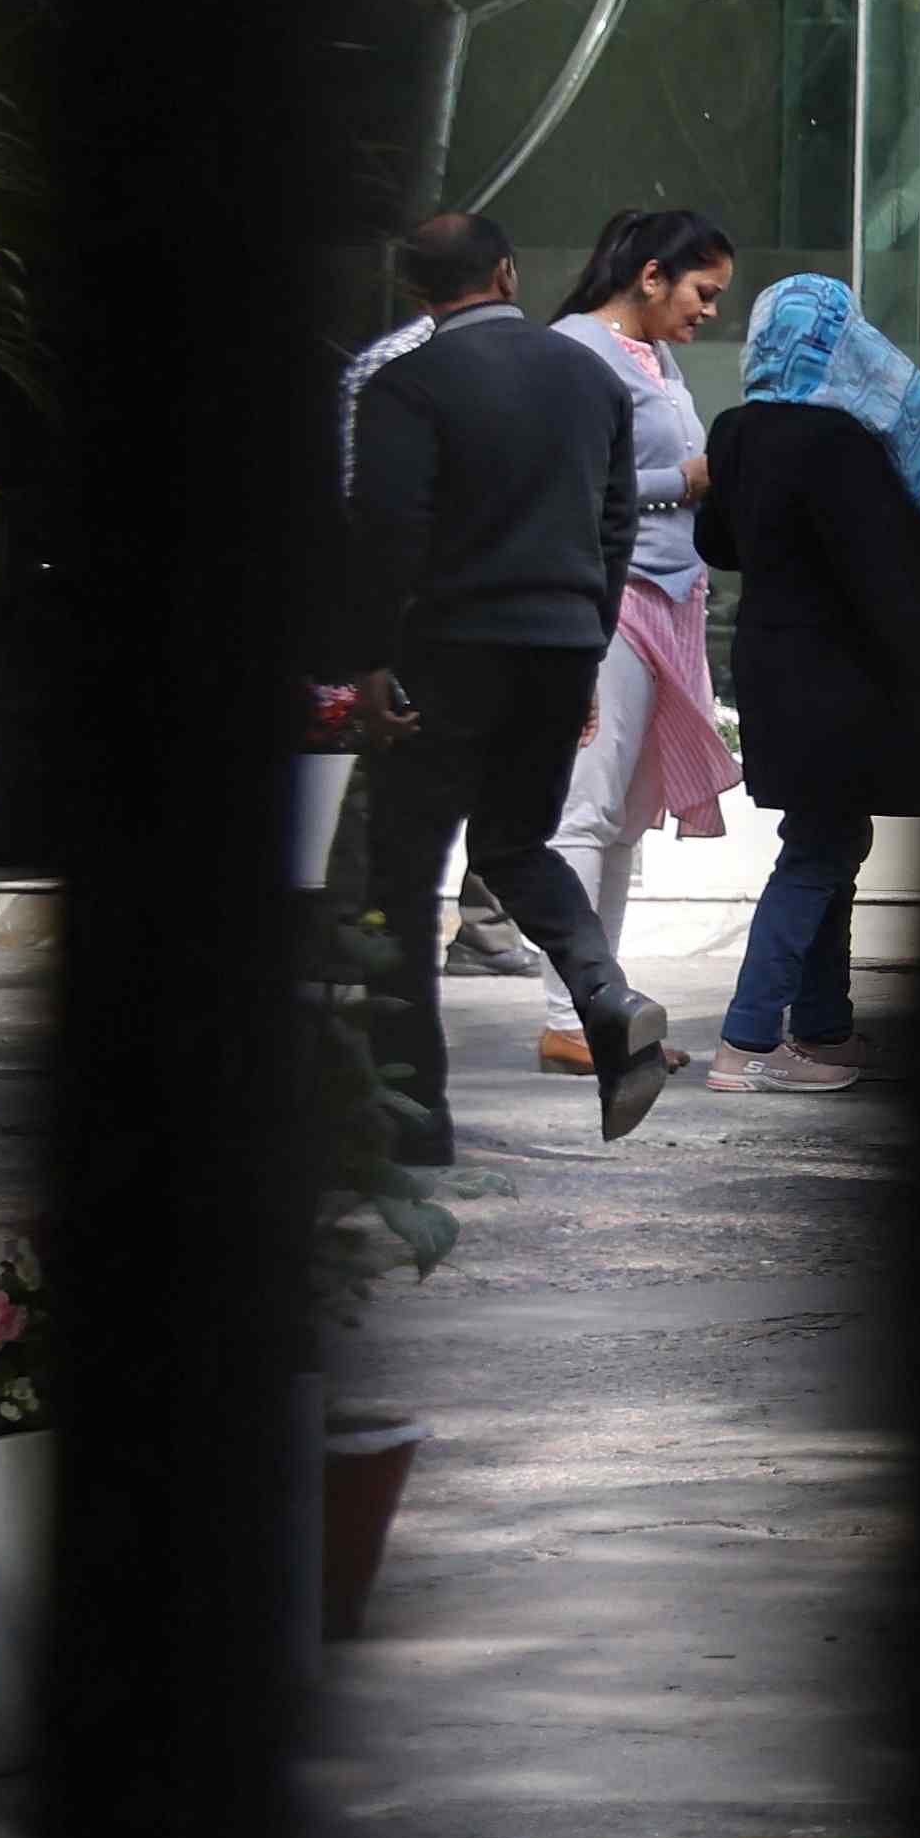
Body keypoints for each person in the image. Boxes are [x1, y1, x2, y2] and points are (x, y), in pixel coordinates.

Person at [341, 213, 678, 1148]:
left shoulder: (406, 385)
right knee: (517, 844)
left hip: (451, 647)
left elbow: (389, 530)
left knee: (403, 878)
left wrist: (373, 659)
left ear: (416, 293)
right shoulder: (590, 376)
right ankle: (607, 1000)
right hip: (565, 642)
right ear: (508, 271)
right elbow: (617, 529)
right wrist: (589, 645)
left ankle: (414, 1116)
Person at [693, 269, 920, 1097]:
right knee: (819, 848)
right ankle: (746, 1041)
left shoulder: (737, 428)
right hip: (837, 673)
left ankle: (822, 1028)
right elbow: (882, 572)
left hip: (774, 665)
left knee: (830, 837)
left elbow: (719, 544)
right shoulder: (839, 438)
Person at [537, 206, 747, 1077]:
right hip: (608, 598)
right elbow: (574, 484)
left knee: (622, 820)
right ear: (652, 275)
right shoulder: (576, 350)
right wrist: (686, 481)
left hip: (667, 595)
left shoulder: (653, 357)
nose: (710, 312)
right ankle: (570, 1013)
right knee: (586, 809)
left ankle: (603, 1008)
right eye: (704, 291)